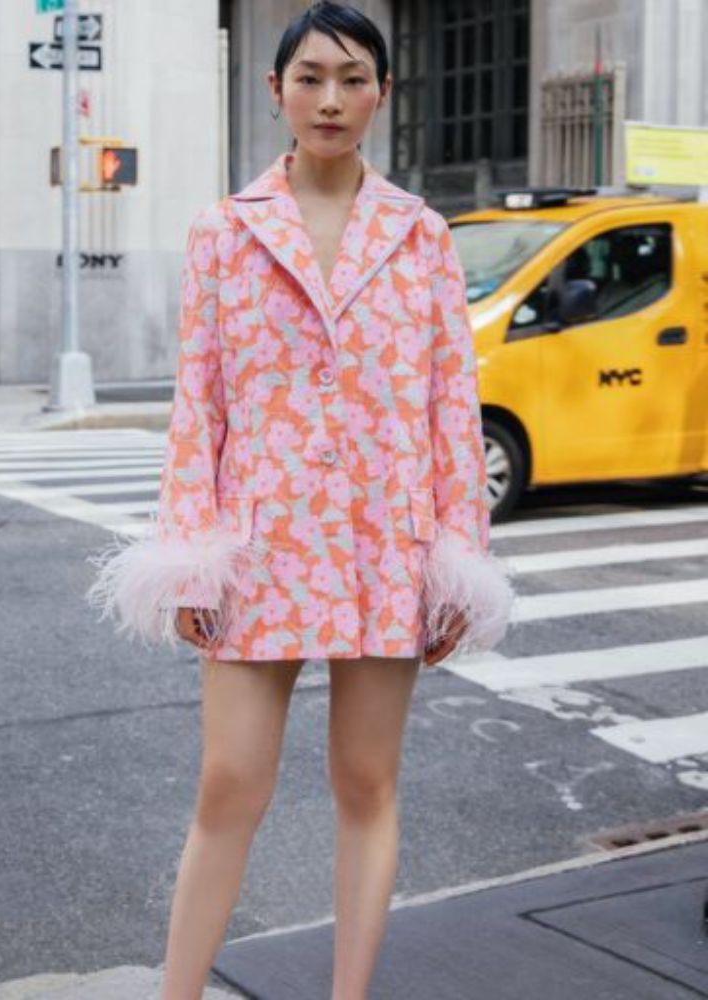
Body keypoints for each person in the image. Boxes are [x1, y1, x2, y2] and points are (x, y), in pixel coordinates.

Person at [86, 3, 514, 997]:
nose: (331, 97)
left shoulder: (420, 236)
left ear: (381, 93)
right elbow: (200, 404)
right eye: (310, 76)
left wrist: (460, 555)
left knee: (366, 784)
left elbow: (454, 406)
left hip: (383, 546)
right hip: (259, 546)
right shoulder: (226, 232)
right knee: (228, 782)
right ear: (275, 90)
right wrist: (186, 546)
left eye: (353, 76)